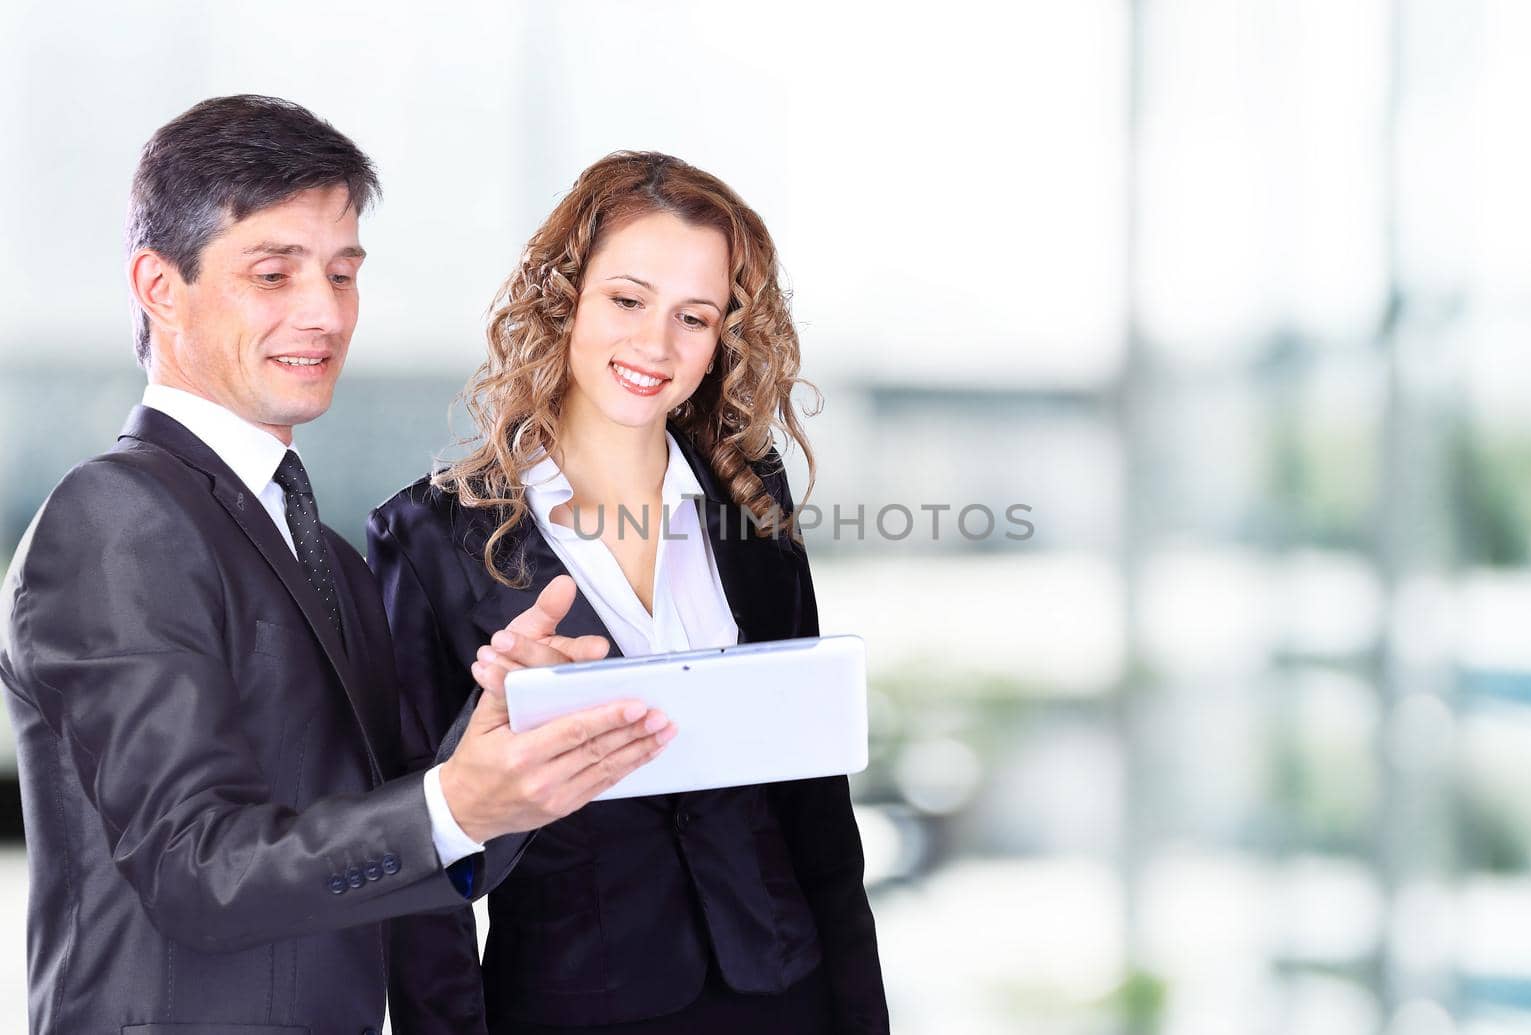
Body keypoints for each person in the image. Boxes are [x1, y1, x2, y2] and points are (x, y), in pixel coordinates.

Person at [0, 96, 675, 1035]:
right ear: (158, 285)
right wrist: (451, 798)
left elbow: (394, 850)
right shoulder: (116, 516)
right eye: (273, 272)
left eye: (343, 273)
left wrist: (499, 746)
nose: (323, 312)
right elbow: (197, 867)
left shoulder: (328, 556)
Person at [370, 151, 890, 1034]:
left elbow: (818, 817)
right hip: (571, 1007)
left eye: (696, 315)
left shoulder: (749, 504)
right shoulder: (428, 538)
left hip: (783, 998)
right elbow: (424, 875)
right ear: (565, 296)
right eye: (627, 300)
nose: (656, 345)